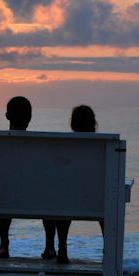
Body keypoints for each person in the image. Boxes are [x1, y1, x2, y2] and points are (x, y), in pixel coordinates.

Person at [0, 96, 57, 260]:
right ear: (30, 117)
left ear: (7, 116)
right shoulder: (41, 146)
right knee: (49, 195)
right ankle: (50, 246)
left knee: (4, 192)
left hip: (5, 202)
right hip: (40, 202)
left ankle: (3, 245)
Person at [55, 105, 98, 264]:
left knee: (61, 200)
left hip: (70, 201)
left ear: (72, 124)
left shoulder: (67, 146)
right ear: (94, 123)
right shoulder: (103, 147)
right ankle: (107, 250)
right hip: (98, 202)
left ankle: (61, 248)